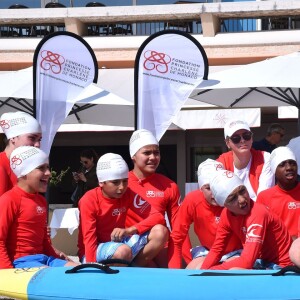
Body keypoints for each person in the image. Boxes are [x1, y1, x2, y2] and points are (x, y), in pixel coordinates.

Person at [78, 153, 167, 266]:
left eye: (125, 181)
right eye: (115, 182)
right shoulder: (89, 200)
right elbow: (89, 238)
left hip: (120, 245)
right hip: (94, 250)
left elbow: (157, 216)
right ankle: (117, 276)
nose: (121, 187)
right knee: (123, 251)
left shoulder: (127, 194)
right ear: (101, 182)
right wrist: (91, 268)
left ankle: (133, 268)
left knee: (161, 232)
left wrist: (130, 230)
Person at [0, 146, 78, 269]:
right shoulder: (9, 200)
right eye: (41, 168)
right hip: (21, 262)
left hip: (44, 259)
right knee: (49, 275)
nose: (48, 173)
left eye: (47, 167)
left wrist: (56, 258)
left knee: (79, 270)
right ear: (24, 172)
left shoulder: (41, 200)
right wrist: (6, 274)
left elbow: (44, 240)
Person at [200, 170, 292, 270]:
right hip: (261, 262)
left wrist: (211, 271)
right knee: (200, 266)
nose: (242, 200)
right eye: (233, 198)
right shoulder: (226, 214)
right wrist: (202, 272)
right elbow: (217, 250)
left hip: (281, 266)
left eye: (242, 191)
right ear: (224, 205)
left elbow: (247, 262)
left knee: (235, 270)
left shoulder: (258, 213)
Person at [126, 129, 190, 267]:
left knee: (183, 266)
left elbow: (179, 227)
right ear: (133, 156)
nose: (153, 157)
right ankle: (133, 268)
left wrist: (186, 260)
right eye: (147, 153)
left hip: (159, 244)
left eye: (156, 152)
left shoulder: (169, 185)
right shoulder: (121, 183)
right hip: (129, 245)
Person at [168, 159, 242, 269]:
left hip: (236, 252)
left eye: (218, 186)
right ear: (201, 188)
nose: (215, 192)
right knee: (192, 271)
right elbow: (177, 237)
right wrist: (173, 274)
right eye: (208, 188)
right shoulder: (193, 200)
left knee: (234, 271)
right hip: (208, 251)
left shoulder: (237, 199)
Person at [217, 118, 274, 201]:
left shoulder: (265, 158)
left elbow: (264, 197)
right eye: (236, 138)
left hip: (258, 211)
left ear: (251, 138)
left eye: (246, 136)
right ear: (227, 143)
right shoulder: (222, 162)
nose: (242, 140)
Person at [257, 146, 300, 240]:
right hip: (278, 251)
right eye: (282, 164)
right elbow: (260, 230)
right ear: (274, 171)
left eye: (292, 163)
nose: (289, 168)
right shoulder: (264, 197)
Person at [0, 111, 42, 197]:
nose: (37, 144)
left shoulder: (26, 167)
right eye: (32, 138)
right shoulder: (2, 166)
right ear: (13, 138)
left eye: (39, 140)